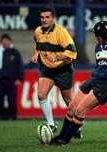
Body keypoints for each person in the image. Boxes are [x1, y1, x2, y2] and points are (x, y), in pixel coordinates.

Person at [51, 20, 107, 146]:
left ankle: (64, 140)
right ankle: (61, 136)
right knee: (72, 107)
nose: (95, 38)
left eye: (97, 35)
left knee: (80, 110)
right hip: (94, 78)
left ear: (104, 35)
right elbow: (100, 66)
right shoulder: (98, 47)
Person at [31, 7, 82, 137]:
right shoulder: (38, 31)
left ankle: (76, 127)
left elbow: (73, 52)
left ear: (53, 19)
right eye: (42, 17)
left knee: (69, 101)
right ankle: (51, 125)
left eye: (47, 17)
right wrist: (36, 54)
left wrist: (57, 57)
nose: (44, 20)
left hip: (63, 70)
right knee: (41, 95)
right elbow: (37, 45)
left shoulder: (61, 33)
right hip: (46, 69)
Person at [0, 34, 24, 120]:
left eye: (6, 41)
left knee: (11, 100)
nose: (5, 43)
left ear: (9, 41)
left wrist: (19, 78)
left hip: (11, 81)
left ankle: (13, 117)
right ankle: (0, 117)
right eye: (3, 41)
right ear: (1, 42)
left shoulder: (15, 52)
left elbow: (20, 66)